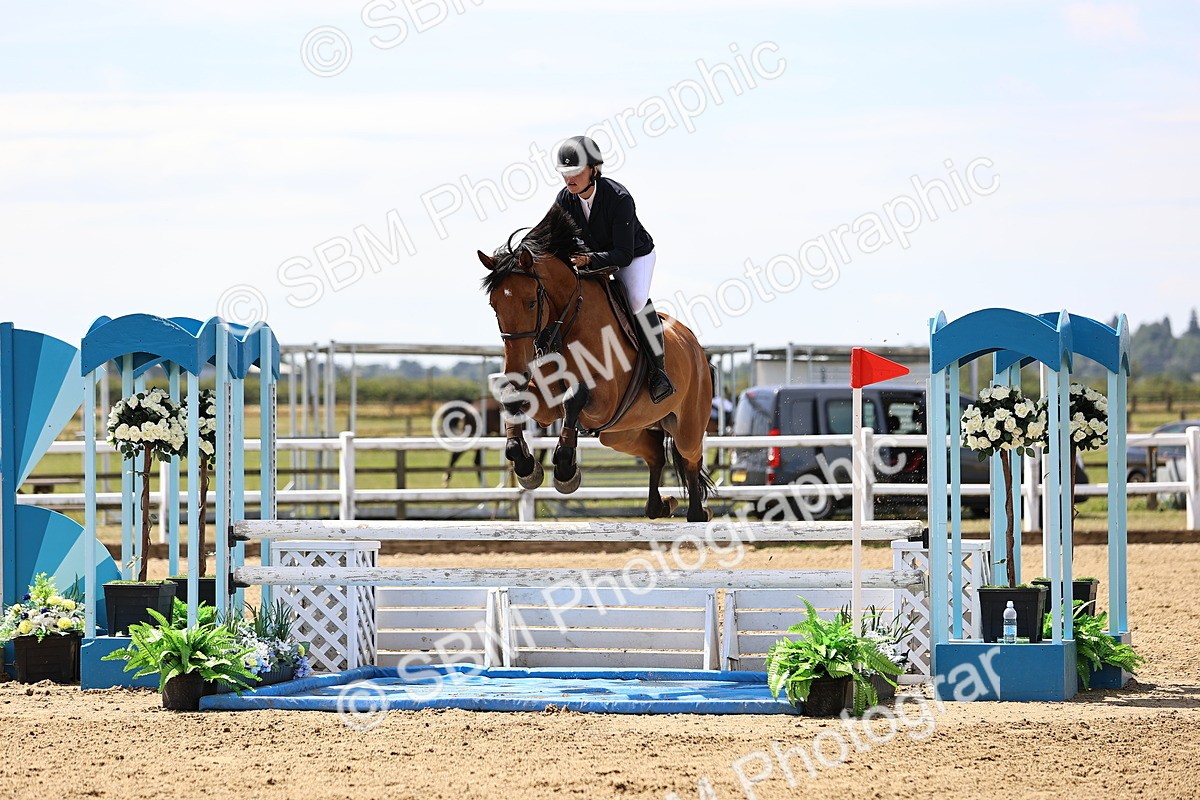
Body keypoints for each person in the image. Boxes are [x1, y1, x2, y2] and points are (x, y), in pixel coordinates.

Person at [552, 135, 675, 403]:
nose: (569, 178)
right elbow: (551, 236)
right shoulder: (564, 199)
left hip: (634, 257)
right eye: (565, 172)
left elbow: (623, 254)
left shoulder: (619, 198)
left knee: (635, 300)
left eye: (576, 171)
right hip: (591, 259)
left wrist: (589, 260)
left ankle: (658, 372)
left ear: (594, 169)